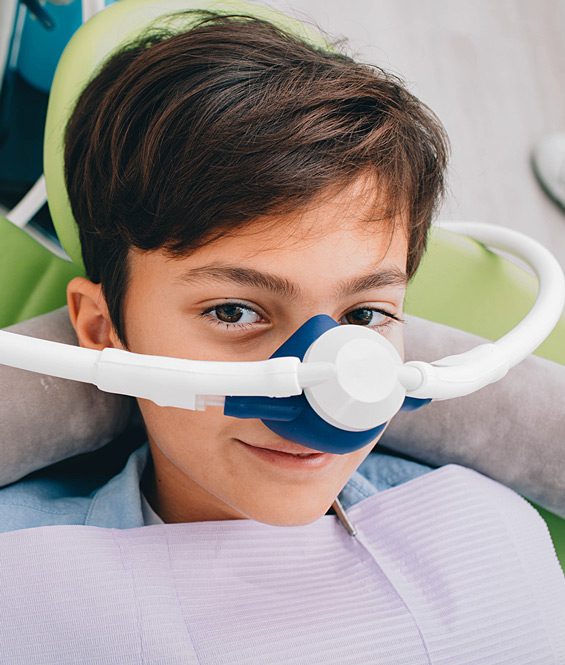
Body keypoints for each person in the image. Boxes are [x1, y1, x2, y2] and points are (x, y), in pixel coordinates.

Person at [0, 9, 564, 663]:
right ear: (102, 329)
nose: (325, 387)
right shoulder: (23, 577)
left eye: (362, 316)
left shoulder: (486, 531)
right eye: (236, 312)